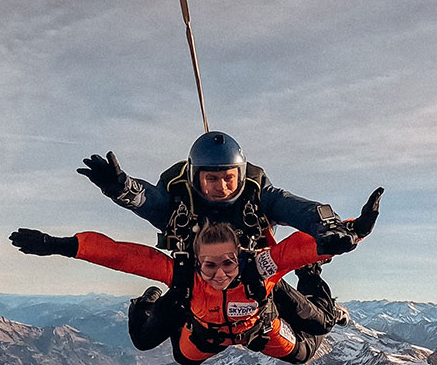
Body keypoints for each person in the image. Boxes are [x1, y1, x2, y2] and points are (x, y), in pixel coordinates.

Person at [77, 132, 364, 343]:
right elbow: (148, 200)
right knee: (145, 339)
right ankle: (146, 301)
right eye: (211, 179)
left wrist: (325, 226)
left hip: (254, 278)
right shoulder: (179, 201)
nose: (222, 187)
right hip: (195, 280)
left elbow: (295, 208)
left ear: (240, 175)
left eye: (229, 178)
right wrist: (121, 188)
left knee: (316, 325)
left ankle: (315, 285)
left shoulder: (258, 195)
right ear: (195, 177)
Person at [10, 221, 348, 365]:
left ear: (240, 259)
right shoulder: (184, 275)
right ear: (198, 261)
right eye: (209, 266)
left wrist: (354, 230)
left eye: (228, 264)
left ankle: (318, 288)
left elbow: (300, 248)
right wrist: (62, 245)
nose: (219, 274)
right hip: (204, 332)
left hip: (258, 328)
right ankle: (148, 301)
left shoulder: (259, 269)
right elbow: (123, 256)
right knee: (151, 342)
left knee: (309, 343)